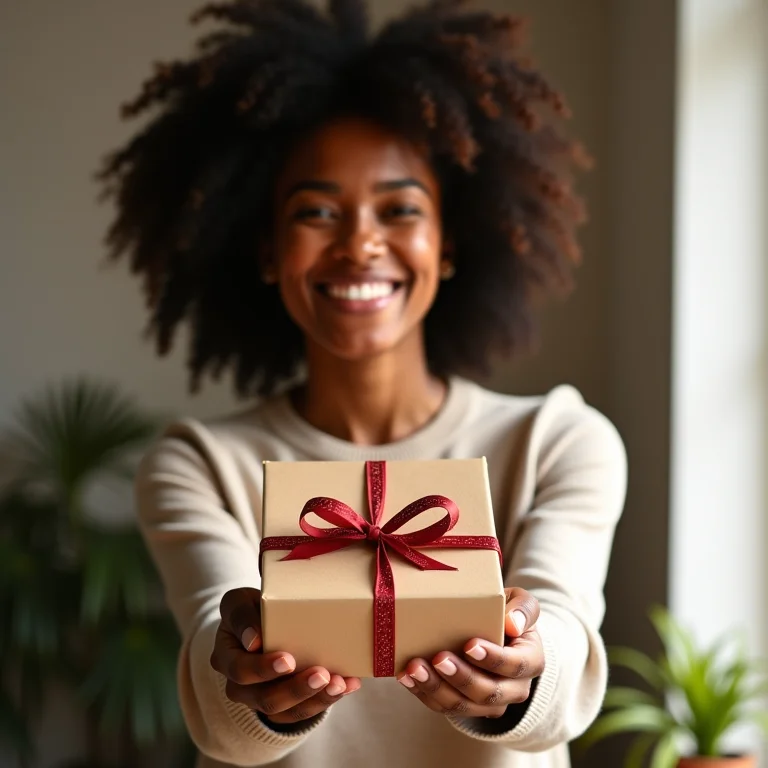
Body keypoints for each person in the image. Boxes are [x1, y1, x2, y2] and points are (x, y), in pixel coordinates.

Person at [100, 1, 627, 766]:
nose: (360, 243)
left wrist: (524, 669)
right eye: (316, 211)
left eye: (400, 209)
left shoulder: (557, 442)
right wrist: (246, 674)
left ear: (448, 244)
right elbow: (220, 708)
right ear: (267, 249)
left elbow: (565, 649)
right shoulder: (200, 465)